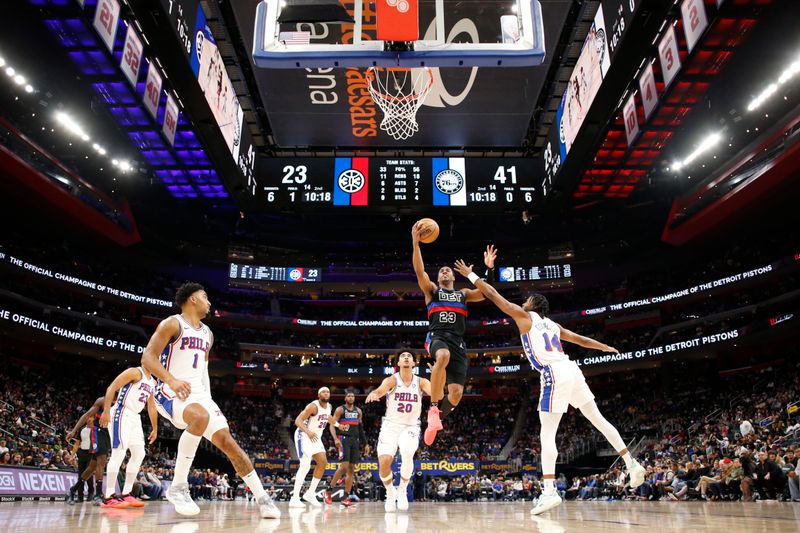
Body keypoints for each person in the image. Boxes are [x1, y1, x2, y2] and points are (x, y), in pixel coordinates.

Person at [452, 259, 646, 515]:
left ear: (533, 306)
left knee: (547, 434)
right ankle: (631, 463)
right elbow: (580, 339)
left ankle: (549, 491)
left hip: (553, 372)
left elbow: (492, 295)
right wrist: (603, 347)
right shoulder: (554, 325)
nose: (524, 302)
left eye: (528, 300)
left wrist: (472, 275)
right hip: (571, 369)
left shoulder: (525, 317)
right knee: (597, 419)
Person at [143, 282, 279, 518]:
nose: (209, 302)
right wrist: (172, 380)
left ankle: (263, 498)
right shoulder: (172, 323)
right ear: (192, 299)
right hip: (170, 390)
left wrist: (207, 397)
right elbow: (148, 357)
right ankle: (177, 487)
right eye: (205, 297)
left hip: (198, 394)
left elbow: (203, 370)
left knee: (231, 445)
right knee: (200, 416)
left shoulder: (208, 333)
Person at [411, 222, 495, 445]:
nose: (445, 270)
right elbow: (419, 271)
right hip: (437, 337)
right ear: (438, 279)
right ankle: (433, 409)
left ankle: (434, 421)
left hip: (458, 342)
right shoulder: (432, 290)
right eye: (441, 271)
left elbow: (487, 293)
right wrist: (415, 242)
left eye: (448, 269)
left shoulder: (464, 293)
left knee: (457, 393)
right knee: (443, 356)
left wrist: (487, 270)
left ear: (454, 277)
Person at [366, 351, 432, 512]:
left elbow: (438, 393)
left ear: (414, 363)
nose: (407, 357)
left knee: (408, 453)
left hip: (410, 426)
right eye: (403, 356)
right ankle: (390, 493)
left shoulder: (421, 382)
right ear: (399, 363)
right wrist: (375, 393)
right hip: (390, 426)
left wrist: (438, 374)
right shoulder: (392, 379)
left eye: (410, 356)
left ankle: (402, 490)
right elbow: (381, 390)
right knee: (384, 463)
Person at [97, 365, 158, 508]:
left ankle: (127, 493)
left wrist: (155, 428)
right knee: (119, 452)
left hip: (135, 417)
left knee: (139, 453)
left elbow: (151, 406)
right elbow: (111, 388)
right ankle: (108, 496)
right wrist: (106, 411)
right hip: (121, 412)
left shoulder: (152, 382)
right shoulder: (135, 372)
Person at [290, 387, 332, 508]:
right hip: (303, 434)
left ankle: (310, 493)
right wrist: (308, 432)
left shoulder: (329, 407)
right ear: (319, 395)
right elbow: (298, 420)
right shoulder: (312, 406)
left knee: (323, 462)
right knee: (305, 465)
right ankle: (295, 498)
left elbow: (328, 417)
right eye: (324, 392)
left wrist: (338, 425)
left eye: (328, 392)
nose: (326, 393)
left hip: (315, 437)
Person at [65, 396, 110, 505]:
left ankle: (72, 490)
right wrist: (74, 431)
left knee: (91, 467)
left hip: (109, 435)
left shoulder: (124, 402)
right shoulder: (102, 401)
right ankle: (98, 494)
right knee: (101, 462)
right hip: (98, 432)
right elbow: (86, 415)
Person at [326, 391, 363, 507]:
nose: (351, 397)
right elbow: (331, 424)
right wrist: (335, 439)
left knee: (352, 469)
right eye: (349, 396)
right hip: (343, 438)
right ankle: (329, 490)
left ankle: (346, 497)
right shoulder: (340, 410)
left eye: (352, 396)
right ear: (345, 398)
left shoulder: (358, 411)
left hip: (355, 440)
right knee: (344, 467)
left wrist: (365, 443)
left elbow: (360, 428)